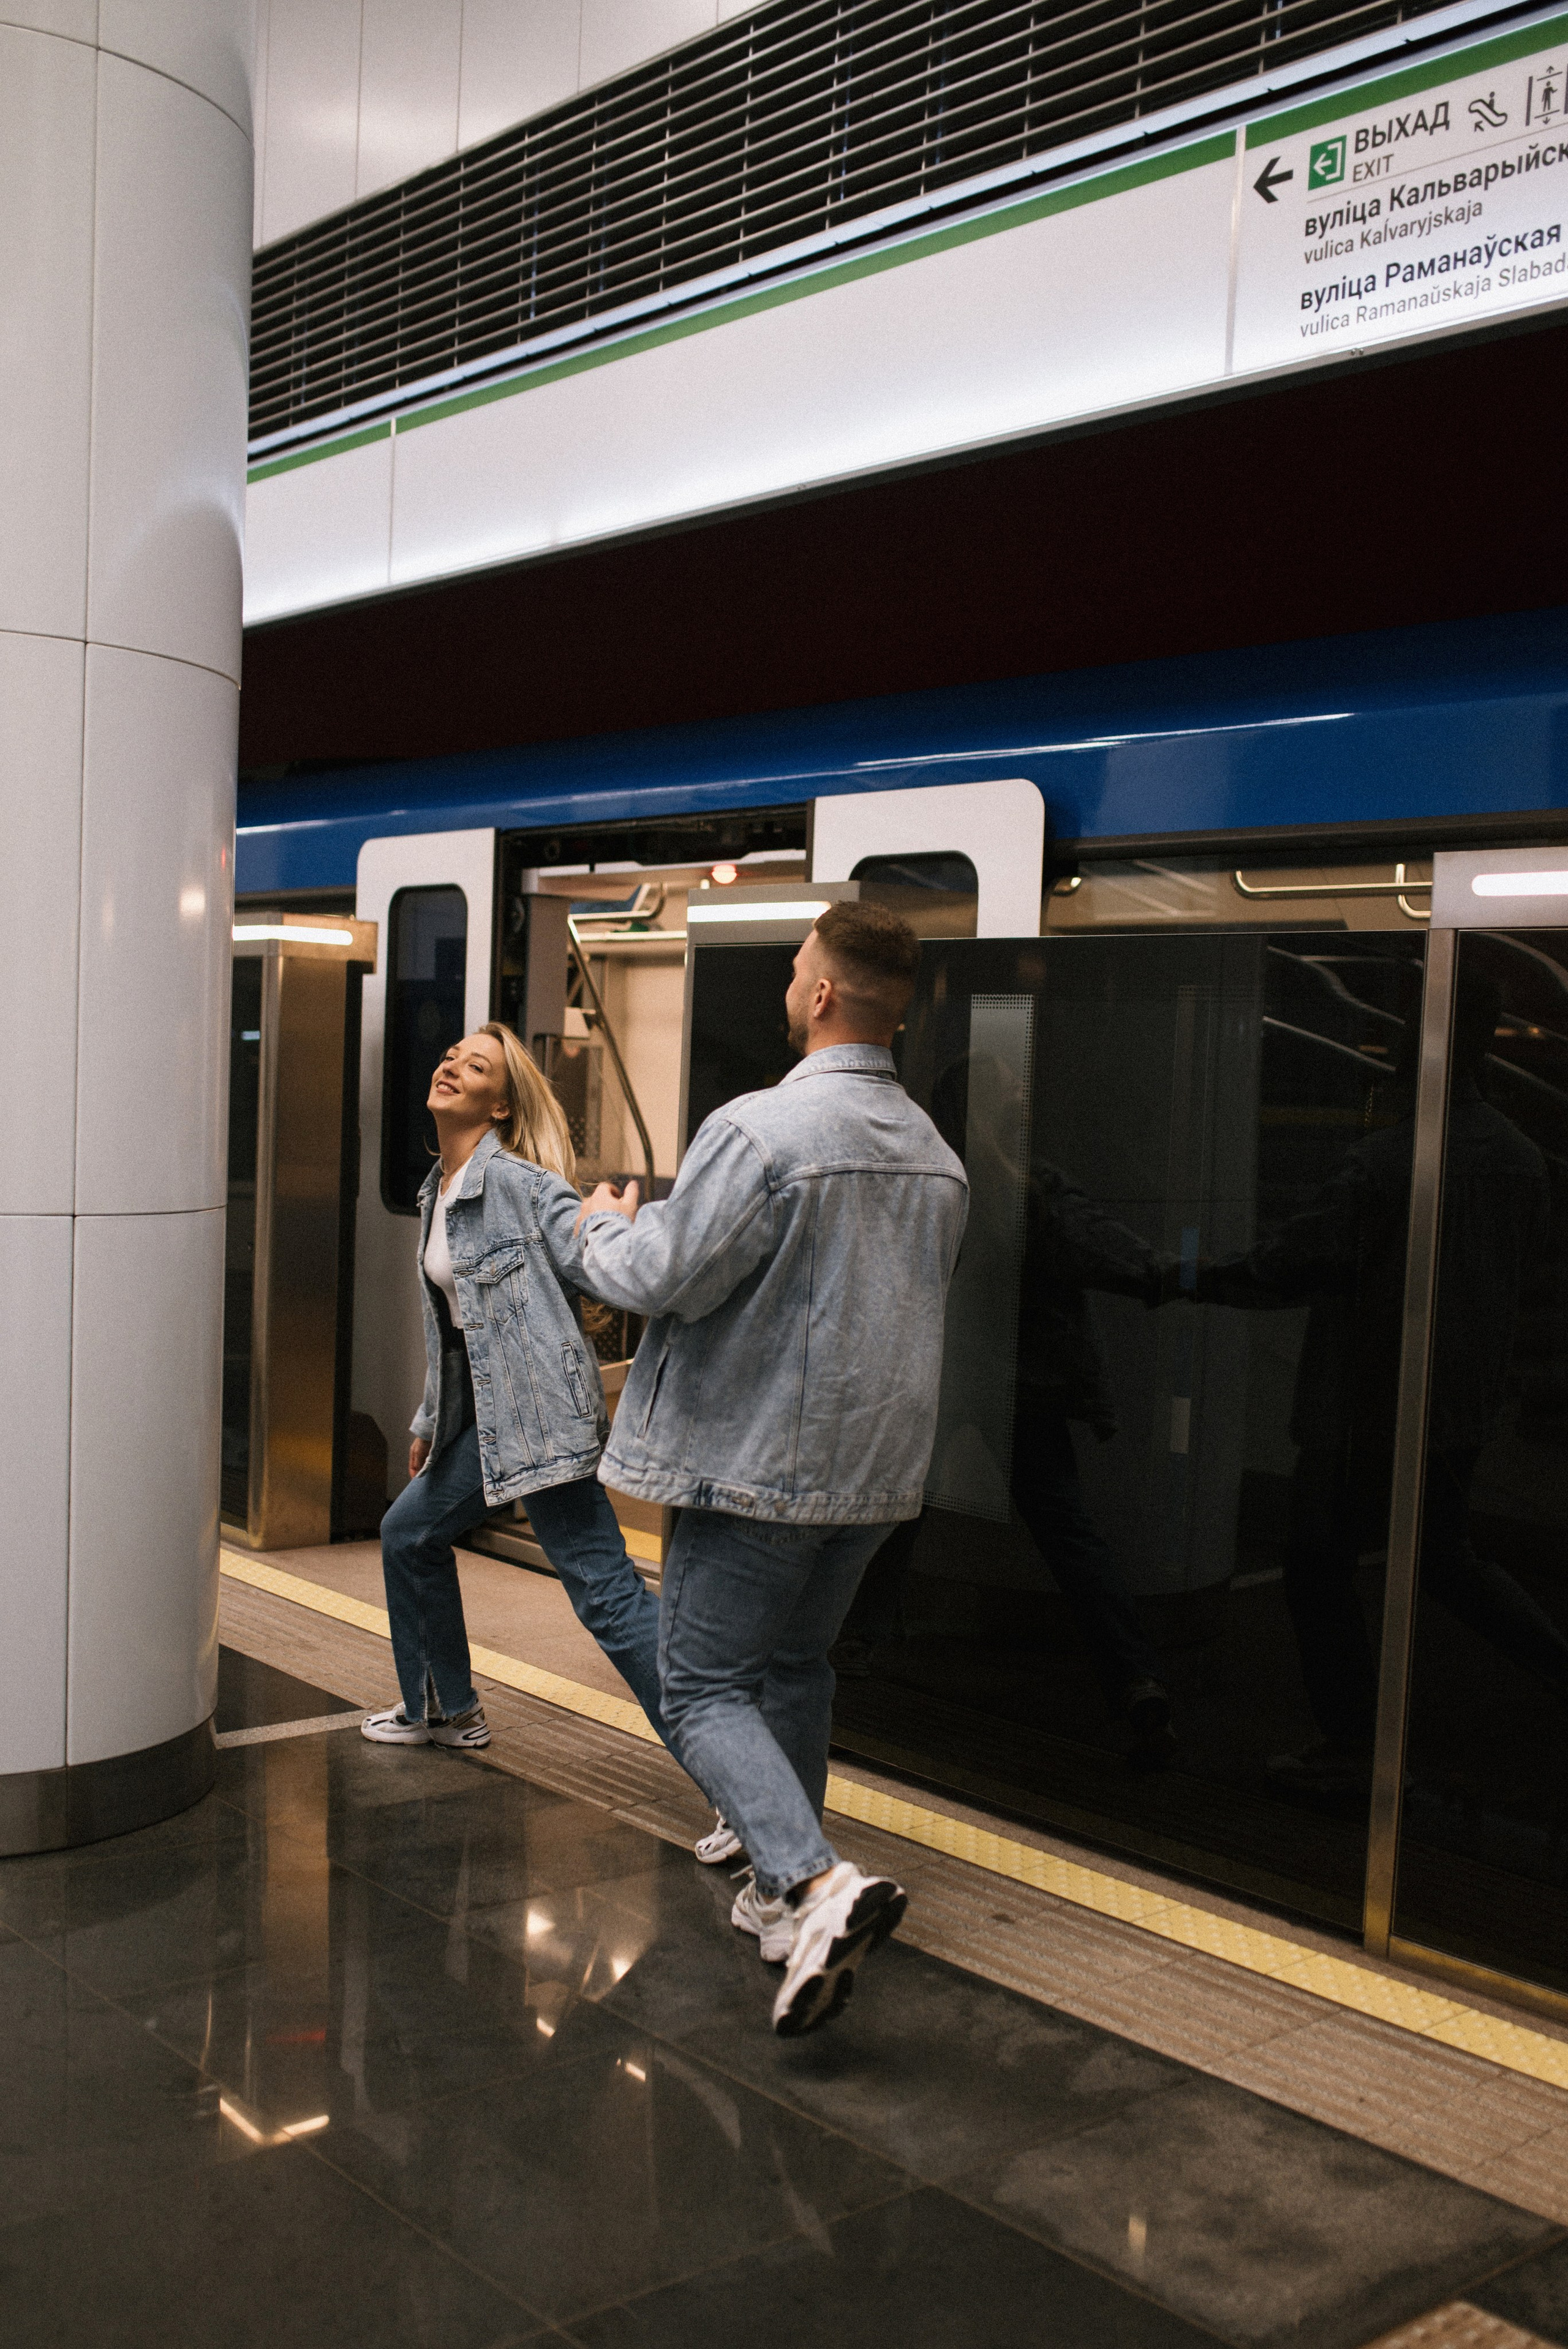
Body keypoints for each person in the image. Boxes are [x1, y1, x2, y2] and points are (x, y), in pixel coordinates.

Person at [578, 902, 968, 2036]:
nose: (791, 986)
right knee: (796, 1668)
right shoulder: (938, 1159)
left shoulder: (760, 1132)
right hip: (875, 1476)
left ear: (824, 997)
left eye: (800, 971)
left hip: (756, 1466)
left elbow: (662, 1276)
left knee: (700, 1687)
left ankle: (814, 1878)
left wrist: (600, 1227)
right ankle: (777, 1903)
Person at [362, 1022, 669, 1752]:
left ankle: (727, 1755)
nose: (451, 1068)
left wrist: (611, 1227)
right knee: (408, 1533)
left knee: (606, 1594)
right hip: (488, 1420)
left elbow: (591, 1255)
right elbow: (456, 1327)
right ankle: (444, 1707)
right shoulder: (439, 1189)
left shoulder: (525, 1187)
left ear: (500, 1105)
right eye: (448, 1057)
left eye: (474, 1067)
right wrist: (431, 1419)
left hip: (544, 1422)